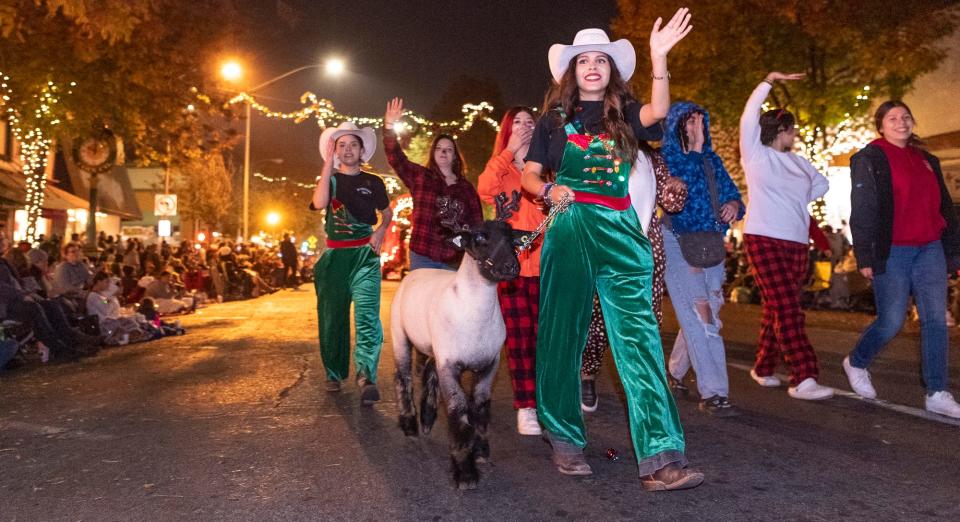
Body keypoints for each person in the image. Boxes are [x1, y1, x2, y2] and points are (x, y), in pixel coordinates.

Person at [521, 12, 703, 491]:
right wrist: (546, 190)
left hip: (623, 231)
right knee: (562, 333)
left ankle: (663, 456)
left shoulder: (627, 115)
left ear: (610, 71)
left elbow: (660, 110)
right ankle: (563, 438)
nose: (593, 66)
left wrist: (659, 56)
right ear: (572, 71)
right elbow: (530, 174)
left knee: (640, 340)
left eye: (602, 59)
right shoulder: (553, 121)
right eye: (585, 60)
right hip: (571, 226)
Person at [843, 100, 960, 418]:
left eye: (906, 116)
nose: (901, 122)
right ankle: (857, 361)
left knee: (936, 320)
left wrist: (952, 251)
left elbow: (945, 208)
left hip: (930, 247)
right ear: (881, 126)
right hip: (892, 250)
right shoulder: (870, 158)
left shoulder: (927, 160)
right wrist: (865, 254)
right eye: (892, 118)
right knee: (892, 321)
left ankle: (937, 391)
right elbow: (863, 207)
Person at [739, 72, 834, 400]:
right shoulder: (755, 154)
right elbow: (749, 114)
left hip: (796, 242)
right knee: (788, 308)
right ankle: (804, 375)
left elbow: (823, 184)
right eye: (793, 129)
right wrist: (767, 81)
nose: (796, 134)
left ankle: (763, 367)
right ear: (782, 130)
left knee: (777, 307)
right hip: (762, 238)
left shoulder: (800, 162)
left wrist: (795, 198)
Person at [579, 143, 687, 412]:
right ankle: (587, 373)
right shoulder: (605, 150)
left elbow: (670, 204)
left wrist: (676, 188)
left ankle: (643, 389)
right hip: (611, 246)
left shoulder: (653, 158)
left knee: (646, 323)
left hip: (646, 251)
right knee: (601, 321)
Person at [659, 100, 744, 416]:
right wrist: (694, 151)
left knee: (710, 313)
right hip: (679, 244)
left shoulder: (712, 160)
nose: (698, 126)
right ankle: (714, 393)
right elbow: (675, 200)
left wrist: (734, 206)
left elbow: (732, 194)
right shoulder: (667, 159)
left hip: (711, 246)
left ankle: (675, 371)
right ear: (677, 125)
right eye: (690, 121)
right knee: (702, 317)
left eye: (700, 121)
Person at [311, 121, 393, 405]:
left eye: (352, 145)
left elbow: (388, 212)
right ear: (335, 151)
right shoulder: (330, 181)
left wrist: (380, 231)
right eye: (341, 145)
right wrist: (326, 165)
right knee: (332, 318)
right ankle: (333, 373)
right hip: (334, 260)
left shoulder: (374, 182)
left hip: (365, 258)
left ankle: (365, 376)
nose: (347, 150)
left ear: (362, 150)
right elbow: (320, 203)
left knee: (368, 317)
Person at [477, 105, 546, 435]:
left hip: (547, 266)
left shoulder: (546, 171)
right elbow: (484, 188)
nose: (523, 127)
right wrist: (509, 152)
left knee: (547, 339)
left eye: (529, 122)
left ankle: (549, 401)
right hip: (512, 269)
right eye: (516, 123)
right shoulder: (501, 171)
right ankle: (526, 406)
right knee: (519, 340)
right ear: (506, 130)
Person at [383, 98, 483, 270]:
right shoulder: (421, 177)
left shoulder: (466, 189)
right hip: (423, 256)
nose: (443, 152)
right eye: (438, 148)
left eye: (449, 149)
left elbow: (477, 224)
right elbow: (396, 157)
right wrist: (389, 126)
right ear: (433, 154)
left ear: (455, 157)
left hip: (454, 259)